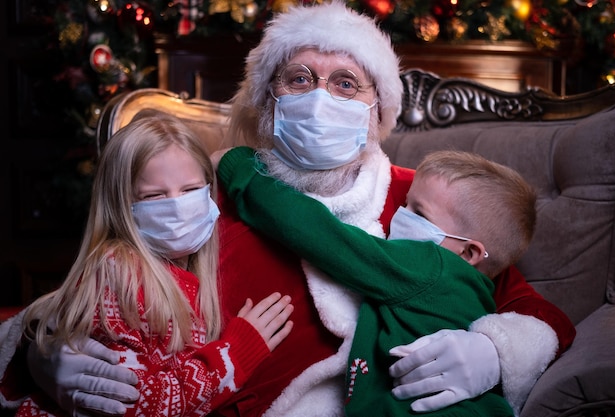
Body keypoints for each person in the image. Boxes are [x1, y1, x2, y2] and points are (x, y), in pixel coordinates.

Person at [0, 2, 575, 417]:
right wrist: (42, 353)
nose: (320, 95)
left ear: (378, 112)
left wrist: (493, 352)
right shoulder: (204, 198)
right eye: (298, 78)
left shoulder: (420, 202)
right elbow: (95, 288)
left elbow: (533, 309)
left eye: (346, 83)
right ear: (268, 102)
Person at [8, 111, 294, 417]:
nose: (177, 206)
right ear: (121, 206)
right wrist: (235, 354)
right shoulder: (119, 270)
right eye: (154, 196)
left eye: (190, 191)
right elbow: (131, 404)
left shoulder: (188, 266)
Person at [215, 146, 536, 416]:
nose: (399, 213)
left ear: (468, 253)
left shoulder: (431, 266)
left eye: (419, 214)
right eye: (405, 202)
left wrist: (239, 167)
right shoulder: (473, 292)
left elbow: (321, 236)